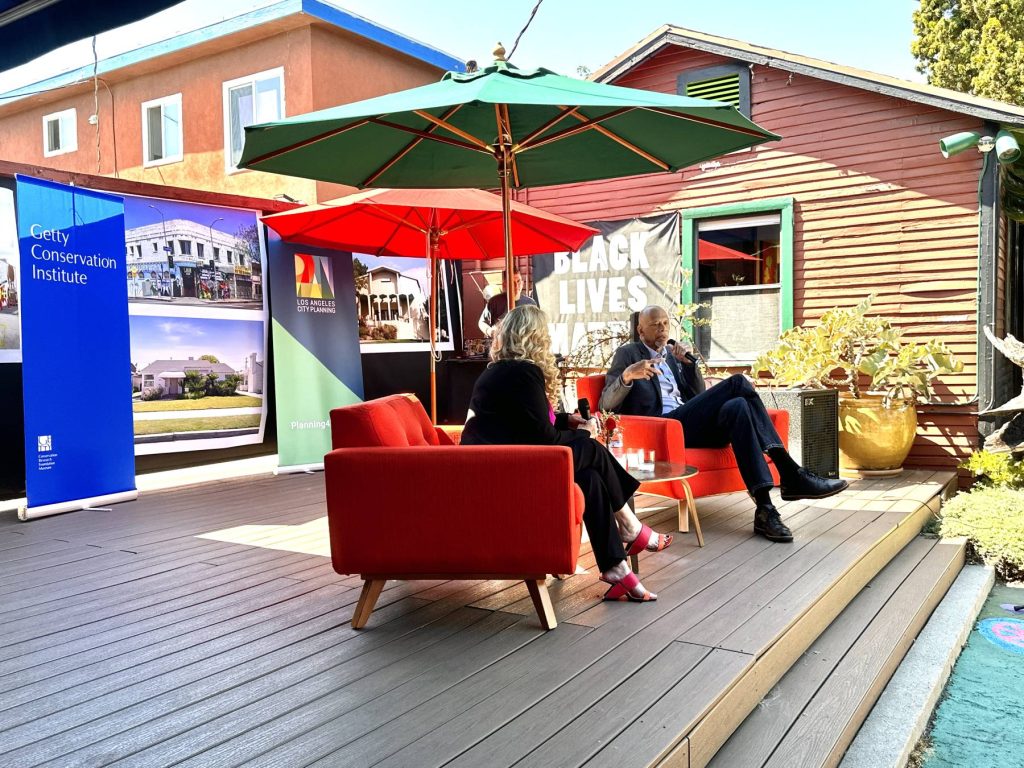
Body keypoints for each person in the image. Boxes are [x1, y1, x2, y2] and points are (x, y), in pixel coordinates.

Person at [462, 304, 670, 602]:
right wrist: (582, 432)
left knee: (589, 476)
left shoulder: (502, 371)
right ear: (534, 336)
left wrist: (568, 420)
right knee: (589, 447)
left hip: (498, 462)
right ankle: (630, 525)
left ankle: (616, 568)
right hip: (499, 473)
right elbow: (543, 438)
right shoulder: (522, 373)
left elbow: (527, 421)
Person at [600, 305, 848, 543]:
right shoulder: (629, 354)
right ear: (641, 331)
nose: (662, 329)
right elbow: (605, 403)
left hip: (690, 425)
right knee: (738, 383)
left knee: (738, 406)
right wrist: (627, 376)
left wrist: (689, 367)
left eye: (665, 324)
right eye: (655, 325)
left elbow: (697, 397)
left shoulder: (673, 355)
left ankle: (765, 509)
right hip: (663, 427)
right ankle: (790, 473)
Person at [478, 267, 537, 337]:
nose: (516, 286)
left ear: (522, 283)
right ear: (504, 285)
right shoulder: (495, 302)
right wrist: (491, 332)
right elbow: (482, 322)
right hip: (501, 345)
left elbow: (536, 327)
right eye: (512, 282)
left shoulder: (530, 303)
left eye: (518, 281)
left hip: (523, 346)